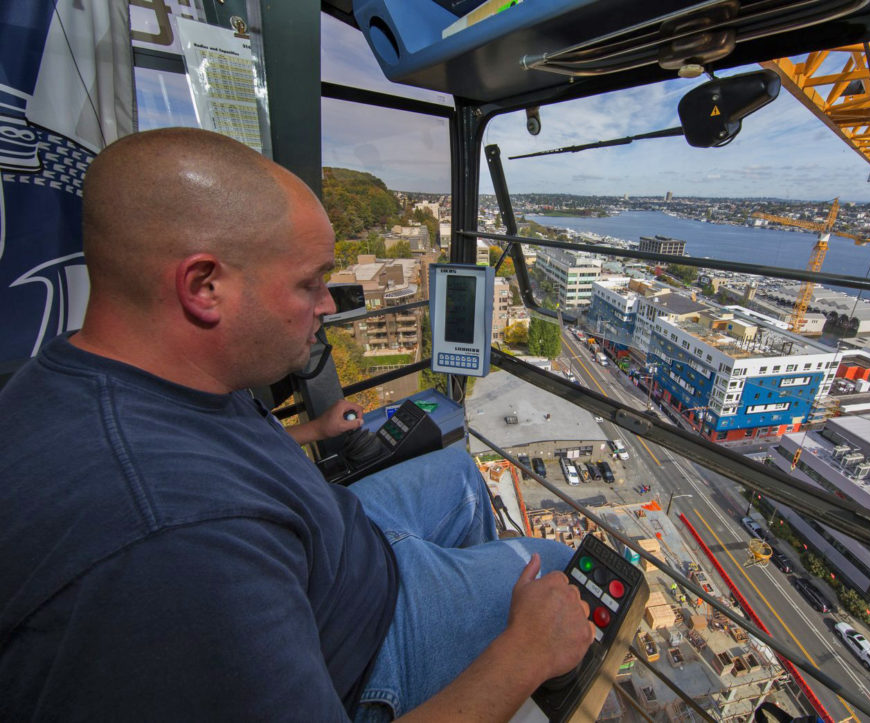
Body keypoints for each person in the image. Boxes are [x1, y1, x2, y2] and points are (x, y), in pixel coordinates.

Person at [0, 127, 593, 721]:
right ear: (205, 286)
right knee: (563, 575)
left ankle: (468, 625)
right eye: (309, 282)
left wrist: (310, 433)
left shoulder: (110, 376)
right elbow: (190, 517)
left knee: (460, 472)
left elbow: (210, 456)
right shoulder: (174, 548)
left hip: (336, 546)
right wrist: (521, 654)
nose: (329, 305)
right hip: (364, 647)